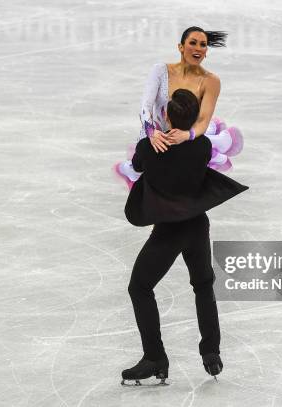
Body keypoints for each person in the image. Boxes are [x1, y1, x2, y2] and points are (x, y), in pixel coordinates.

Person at [121, 88, 248, 386]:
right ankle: (211, 353)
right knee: (203, 285)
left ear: (166, 115)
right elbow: (195, 143)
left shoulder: (149, 149)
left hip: (169, 232)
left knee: (139, 287)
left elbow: (138, 166)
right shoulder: (201, 146)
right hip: (197, 225)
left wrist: (152, 135)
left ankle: (155, 358)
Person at [114, 26, 244, 190]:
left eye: (203, 45)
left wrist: (187, 135)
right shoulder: (160, 70)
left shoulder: (211, 81)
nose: (198, 48)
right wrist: (151, 133)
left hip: (186, 139)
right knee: (151, 184)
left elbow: (204, 118)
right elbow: (145, 107)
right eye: (193, 43)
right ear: (180, 47)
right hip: (156, 136)